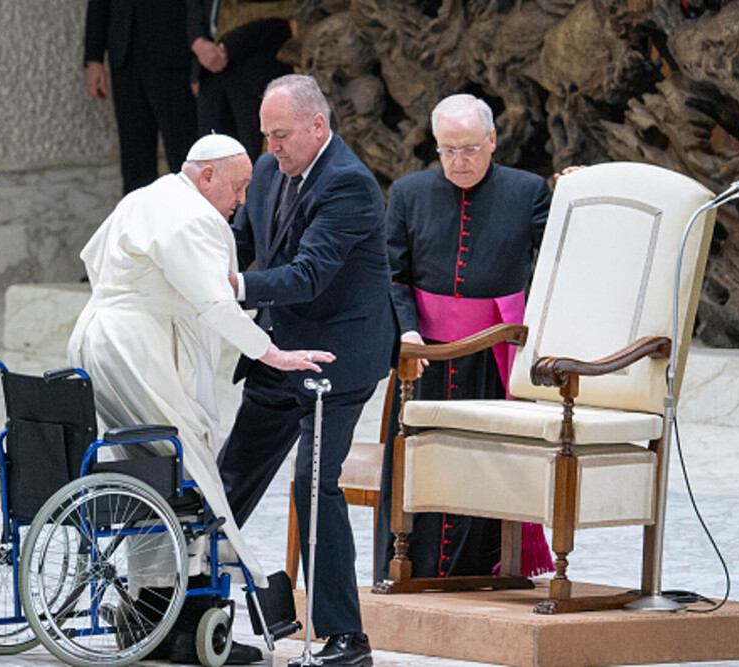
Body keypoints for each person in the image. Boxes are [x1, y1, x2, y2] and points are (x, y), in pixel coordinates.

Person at [67, 134, 333, 665]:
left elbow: (94, 257)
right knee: (192, 476)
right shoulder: (191, 216)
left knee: (147, 472)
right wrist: (271, 353)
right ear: (206, 175)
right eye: (235, 187)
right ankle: (194, 624)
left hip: (100, 337)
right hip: (138, 347)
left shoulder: (148, 196)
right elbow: (213, 300)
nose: (239, 201)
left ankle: (150, 612)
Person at [219, 74, 398, 666]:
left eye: (282, 134)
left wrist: (233, 287)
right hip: (278, 352)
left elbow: (307, 274)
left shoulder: (349, 184)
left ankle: (346, 637)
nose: (272, 146)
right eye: (266, 134)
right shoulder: (270, 172)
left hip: (336, 360)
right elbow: (238, 239)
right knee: (226, 479)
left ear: (317, 125)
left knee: (312, 485)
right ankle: (183, 604)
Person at [374, 93, 555, 584]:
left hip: (495, 357)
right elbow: (392, 273)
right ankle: (410, 566)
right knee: (418, 460)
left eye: (471, 148)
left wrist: (578, 192)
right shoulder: (409, 193)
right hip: (424, 358)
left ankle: (483, 571)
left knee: (488, 464)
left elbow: (566, 253)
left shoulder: (528, 190)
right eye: (448, 149)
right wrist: (407, 332)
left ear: (493, 140)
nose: (459, 161)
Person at [84, 0, 199, 194]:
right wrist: (93, 58)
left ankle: (193, 219)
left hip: (173, 51)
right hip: (126, 51)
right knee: (134, 161)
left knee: (184, 155)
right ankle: (140, 222)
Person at [186, 0, 293, 161]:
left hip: (254, 70)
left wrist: (225, 49)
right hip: (209, 73)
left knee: (254, 164)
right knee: (212, 161)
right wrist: (197, 43)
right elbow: (196, 7)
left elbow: (280, 12)